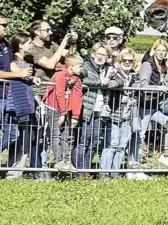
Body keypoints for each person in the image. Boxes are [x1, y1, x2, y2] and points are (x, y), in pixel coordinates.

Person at [0, 13, 31, 166]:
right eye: (3, 25)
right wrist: (18, 74)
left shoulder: (4, 44)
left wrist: (27, 76)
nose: (6, 27)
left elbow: (9, 64)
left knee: (12, 133)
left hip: (7, 95)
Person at [26, 20, 76, 172]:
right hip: (39, 95)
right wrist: (61, 47)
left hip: (54, 96)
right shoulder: (32, 49)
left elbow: (71, 60)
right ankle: (38, 168)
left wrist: (72, 43)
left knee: (54, 134)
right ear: (36, 31)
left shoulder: (52, 46)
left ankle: (50, 166)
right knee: (41, 134)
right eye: (47, 30)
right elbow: (48, 64)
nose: (50, 33)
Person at [130, 39, 168, 176]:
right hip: (145, 103)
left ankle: (167, 155)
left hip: (157, 105)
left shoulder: (165, 66)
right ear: (153, 51)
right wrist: (159, 88)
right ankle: (133, 166)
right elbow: (143, 85)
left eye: (164, 51)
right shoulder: (148, 65)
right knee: (140, 133)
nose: (161, 53)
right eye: (159, 50)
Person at [99, 48, 140, 177]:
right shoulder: (114, 72)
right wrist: (117, 85)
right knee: (112, 144)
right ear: (120, 60)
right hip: (113, 113)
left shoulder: (135, 75)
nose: (127, 62)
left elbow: (138, 89)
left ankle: (115, 172)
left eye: (130, 60)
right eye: (124, 60)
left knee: (122, 145)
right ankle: (104, 173)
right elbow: (108, 84)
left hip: (128, 114)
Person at [6, 33, 42, 178]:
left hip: (26, 104)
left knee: (24, 139)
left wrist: (32, 78)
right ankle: (12, 172)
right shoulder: (13, 62)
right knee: (18, 139)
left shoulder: (23, 63)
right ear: (20, 45)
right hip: (18, 104)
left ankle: (15, 170)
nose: (31, 45)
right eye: (28, 43)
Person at [42, 54, 83, 173]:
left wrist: (75, 115)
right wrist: (62, 112)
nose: (81, 69)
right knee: (56, 134)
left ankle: (65, 161)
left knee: (65, 135)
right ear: (71, 66)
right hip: (54, 107)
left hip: (65, 109)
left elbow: (77, 96)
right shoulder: (60, 75)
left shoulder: (77, 78)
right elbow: (59, 93)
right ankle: (58, 160)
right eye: (80, 66)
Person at [74, 43, 111, 172]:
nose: (100, 57)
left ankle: (86, 169)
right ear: (93, 53)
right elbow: (79, 79)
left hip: (100, 110)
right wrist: (100, 83)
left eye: (104, 55)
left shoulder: (107, 69)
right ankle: (78, 171)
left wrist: (111, 83)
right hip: (86, 109)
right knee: (84, 140)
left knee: (94, 142)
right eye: (99, 54)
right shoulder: (86, 67)